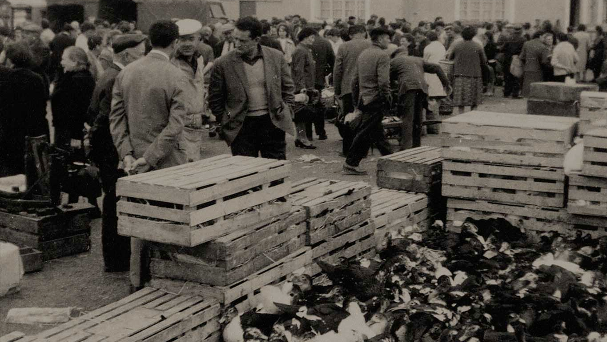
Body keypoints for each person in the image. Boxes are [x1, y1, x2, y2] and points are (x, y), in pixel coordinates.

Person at [110, 21, 189, 291]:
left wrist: (128, 154)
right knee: (171, 222)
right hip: (167, 161)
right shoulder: (176, 75)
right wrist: (152, 156)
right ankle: (169, 282)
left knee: (138, 222)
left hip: (134, 161)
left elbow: (116, 119)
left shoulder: (127, 72)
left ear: (149, 42)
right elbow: (176, 126)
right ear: (175, 42)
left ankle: (136, 281)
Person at [87, 34, 146, 273]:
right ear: (125, 55)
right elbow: (105, 120)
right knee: (114, 205)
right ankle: (116, 260)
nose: (142, 58)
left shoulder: (109, 74)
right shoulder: (117, 77)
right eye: (140, 54)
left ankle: (116, 258)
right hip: (112, 151)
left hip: (107, 150)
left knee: (113, 203)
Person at [208, 16, 298, 160]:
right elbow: (215, 98)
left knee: (275, 170)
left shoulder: (275, 57)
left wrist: (287, 110)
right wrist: (227, 119)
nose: (237, 44)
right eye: (235, 39)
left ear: (256, 40)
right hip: (241, 126)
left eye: (242, 41)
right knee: (246, 174)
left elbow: (288, 87)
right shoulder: (223, 63)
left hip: (272, 123)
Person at [343, 27, 393, 175]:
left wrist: (356, 101)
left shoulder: (363, 54)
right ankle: (350, 163)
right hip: (375, 99)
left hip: (364, 98)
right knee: (366, 132)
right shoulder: (383, 55)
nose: (389, 41)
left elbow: (354, 80)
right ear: (379, 39)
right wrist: (387, 99)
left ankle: (392, 160)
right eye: (387, 38)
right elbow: (383, 82)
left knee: (376, 132)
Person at [0, 42, 49, 177]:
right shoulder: (37, 78)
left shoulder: (7, 78)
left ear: (10, 59)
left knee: (12, 172)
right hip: (34, 130)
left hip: (11, 132)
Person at [391, 46, 450, 150]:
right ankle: (416, 145)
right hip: (422, 88)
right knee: (418, 118)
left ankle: (406, 147)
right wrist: (446, 84)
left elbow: (387, 78)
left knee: (407, 118)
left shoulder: (394, 61)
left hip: (408, 88)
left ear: (396, 55)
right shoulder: (418, 59)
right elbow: (437, 68)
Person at [172, 19, 208, 162]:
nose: (187, 44)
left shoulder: (199, 60)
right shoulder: (171, 62)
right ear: (175, 41)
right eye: (182, 39)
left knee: (194, 164)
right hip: (179, 126)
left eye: (191, 39)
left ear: (199, 39)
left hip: (196, 126)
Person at [333, 25, 371, 156]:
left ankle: (348, 150)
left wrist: (337, 89)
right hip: (367, 88)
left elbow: (338, 69)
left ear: (350, 35)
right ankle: (362, 151)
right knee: (365, 119)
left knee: (349, 119)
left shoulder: (343, 46)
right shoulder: (371, 45)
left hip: (348, 88)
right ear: (364, 33)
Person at [52, 46, 95, 148]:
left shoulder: (75, 81)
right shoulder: (80, 77)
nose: (61, 63)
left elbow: (78, 111)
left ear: (74, 62)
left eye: (64, 59)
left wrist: (75, 135)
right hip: (68, 132)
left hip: (70, 134)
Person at [448, 26, 487, 114]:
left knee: (461, 99)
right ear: (473, 35)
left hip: (460, 75)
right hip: (474, 75)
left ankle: (461, 114)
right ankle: (473, 114)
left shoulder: (457, 45)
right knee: (474, 99)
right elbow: (484, 61)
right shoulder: (478, 46)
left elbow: (450, 57)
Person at [290, 27, 318, 149]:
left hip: (306, 86)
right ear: (305, 37)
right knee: (301, 114)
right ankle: (303, 139)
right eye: (311, 37)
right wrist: (302, 88)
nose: (313, 40)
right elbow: (298, 70)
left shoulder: (305, 50)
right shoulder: (301, 50)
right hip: (302, 87)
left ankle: (300, 138)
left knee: (302, 114)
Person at [309, 30, 334, 141]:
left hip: (307, 80)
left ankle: (308, 134)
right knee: (318, 106)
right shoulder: (326, 42)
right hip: (319, 79)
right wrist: (326, 72)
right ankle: (321, 132)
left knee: (307, 105)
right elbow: (332, 60)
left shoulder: (304, 43)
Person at [520, 31, 551, 97]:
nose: (544, 39)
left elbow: (522, 57)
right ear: (540, 36)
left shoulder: (526, 43)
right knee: (536, 92)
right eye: (543, 37)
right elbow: (544, 61)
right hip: (538, 70)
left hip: (527, 69)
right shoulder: (543, 47)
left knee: (527, 92)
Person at [21, 22, 52, 88]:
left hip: (38, 81)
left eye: (27, 34)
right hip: (29, 79)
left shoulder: (43, 48)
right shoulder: (27, 45)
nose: (24, 35)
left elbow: (35, 64)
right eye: (24, 33)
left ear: (35, 36)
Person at [502, 25, 526, 98]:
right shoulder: (523, 39)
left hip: (508, 58)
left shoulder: (508, 38)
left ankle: (507, 92)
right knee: (516, 75)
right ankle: (515, 93)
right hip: (517, 58)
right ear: (521, 31)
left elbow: (503, 48)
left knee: (508, 75)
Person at [423, 31, 447, 98]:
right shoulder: (442, 46)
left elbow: (425, 61)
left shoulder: (428, 47)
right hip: (441, 68)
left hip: (431, 70)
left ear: (428, 38)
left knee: (431, 89)